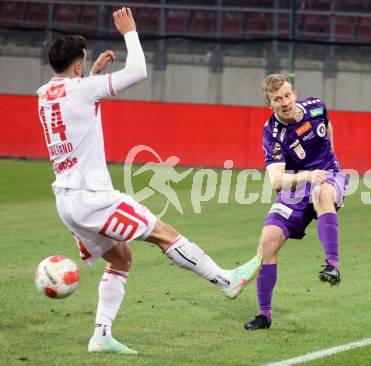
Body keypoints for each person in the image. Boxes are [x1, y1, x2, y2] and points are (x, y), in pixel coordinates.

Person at [37, 8, 261, 354]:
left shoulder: (44, 95)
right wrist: (130, 32)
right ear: (78, 66)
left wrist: (92, 76)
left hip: (66, 203)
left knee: (121, 259)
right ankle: (225, 280)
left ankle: (101, 335)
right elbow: (138, 70)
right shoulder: (82, 90)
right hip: (93, 198)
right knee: (163, 234)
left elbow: (74, 104)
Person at [243, 74, 349, 331]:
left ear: (294, 93)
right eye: (277, 99)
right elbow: (277, 181)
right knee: (267, 243)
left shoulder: (316, 106)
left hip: (327, 176)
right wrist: (307, 176)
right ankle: (264, 315)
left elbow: (328, 125)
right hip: (296, 186)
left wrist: (331, 160)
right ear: (270, 104)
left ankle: (332, 264)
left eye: (287, 95)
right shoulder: (272, 133)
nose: (285, 102)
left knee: (322, 192)